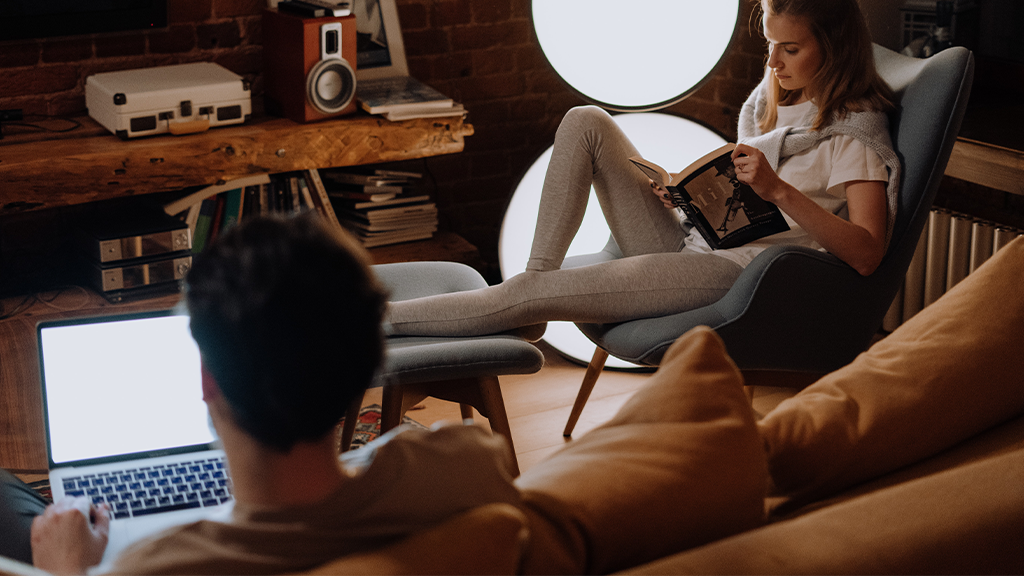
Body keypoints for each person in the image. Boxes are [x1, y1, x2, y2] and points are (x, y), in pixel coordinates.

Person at [1, 212, 769, 576]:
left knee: (23, 508)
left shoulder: (156, 570)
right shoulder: (463, 468)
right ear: (371, 366)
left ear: (206, 381)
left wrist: (73, 567)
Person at [383, 0, 901, 341]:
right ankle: (534, 288)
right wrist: (687, 195)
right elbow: (741, 198)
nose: (772, 63)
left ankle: (373, 322)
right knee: (586, 121)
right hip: (692, 237)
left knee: (523, 292)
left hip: (733, 272)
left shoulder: (853, 131)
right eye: (769, 44)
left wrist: (778, 189)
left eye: (790, 49)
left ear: (832, 48)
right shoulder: (775, 102)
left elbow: (866, 254)